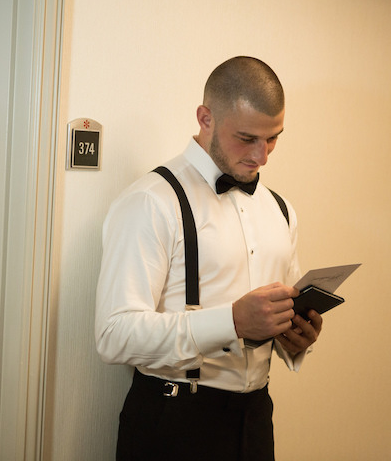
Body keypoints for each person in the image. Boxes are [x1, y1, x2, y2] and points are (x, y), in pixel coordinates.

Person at [95, 56, 322, 460]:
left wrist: (296, 337)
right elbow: (114, 335)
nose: (262, 156)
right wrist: (231, 321)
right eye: (247, 137)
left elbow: (285, 304)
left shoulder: (281, 209)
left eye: (273, 138)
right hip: (172, 421)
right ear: (205, 118)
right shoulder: (151, 201)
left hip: (255, 420)